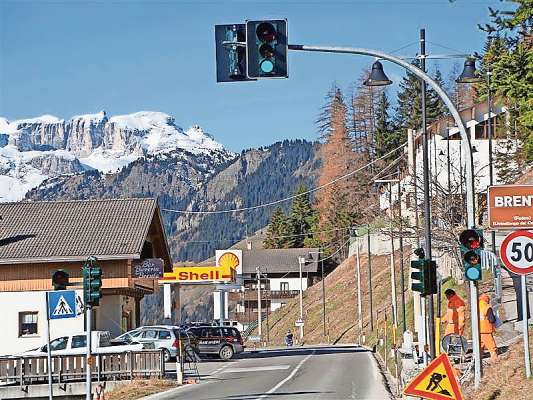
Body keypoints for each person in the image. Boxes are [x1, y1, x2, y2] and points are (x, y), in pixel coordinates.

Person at [479, 293, 498, 363]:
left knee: (480, 346)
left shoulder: (476, 306)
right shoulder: (487, 307)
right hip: (486, 329)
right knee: (492, 347)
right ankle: (495, 360)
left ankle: (477, 360)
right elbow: (492, 319)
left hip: (478, 330)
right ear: (487, 299)